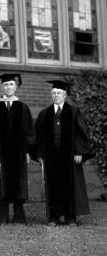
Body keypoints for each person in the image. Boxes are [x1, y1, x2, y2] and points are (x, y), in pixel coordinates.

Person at [36, 80, 94, 226]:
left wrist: (79, 151)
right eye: (54, 93)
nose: (56, 95)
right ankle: (54, 217)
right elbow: (39, 137)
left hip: (70, 156)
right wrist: (40, 155)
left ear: (65, 95)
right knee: (53, 186)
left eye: (59, 93)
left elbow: (82, 132)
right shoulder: (45, 114)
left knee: (70, 186)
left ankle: (70, 217)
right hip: (51, 157)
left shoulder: (73, 112)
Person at [0, 73, 36, 224]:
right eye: (6, 85)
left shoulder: (23, 107)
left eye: (11, 84)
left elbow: (29, 131)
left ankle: (19, 215)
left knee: (19, 182)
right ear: (1, 87)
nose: (8, 87)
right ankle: (3, 216)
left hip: (19, 153)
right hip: (0, 152)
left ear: (16, 87)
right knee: (1, 181)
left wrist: (28, 151)